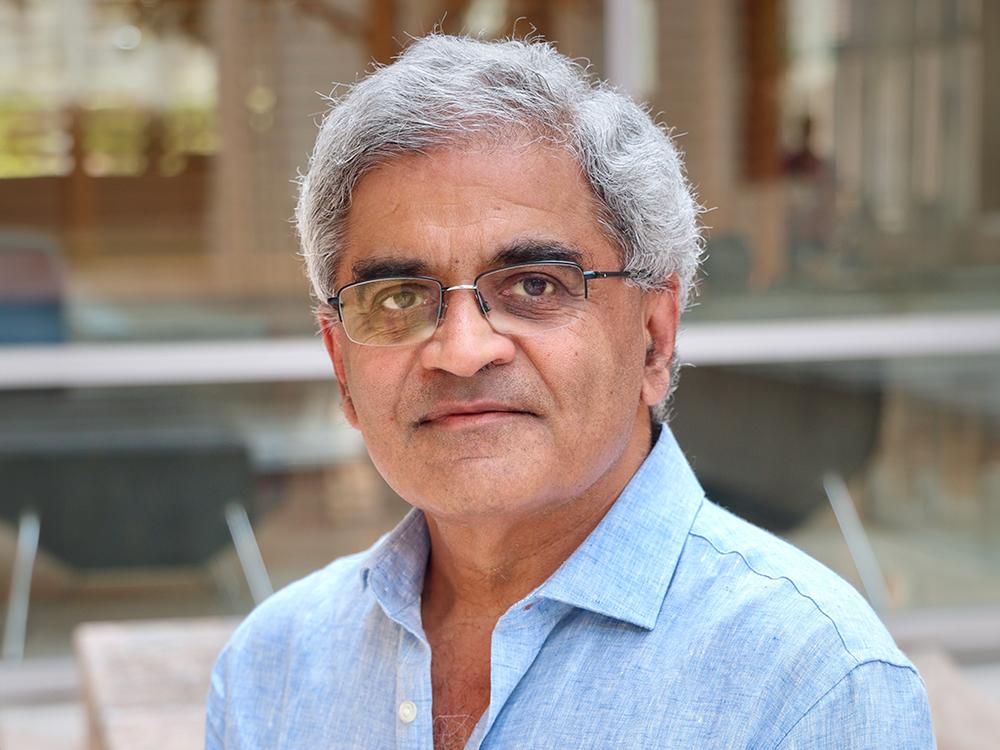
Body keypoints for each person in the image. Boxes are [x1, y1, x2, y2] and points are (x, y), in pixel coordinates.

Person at [206, 34, 934, 749]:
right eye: (396, 298)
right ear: (341, 366)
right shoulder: (275, 668)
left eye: (534, 285)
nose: (462, 351)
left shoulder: (811, 685)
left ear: (655, 334)